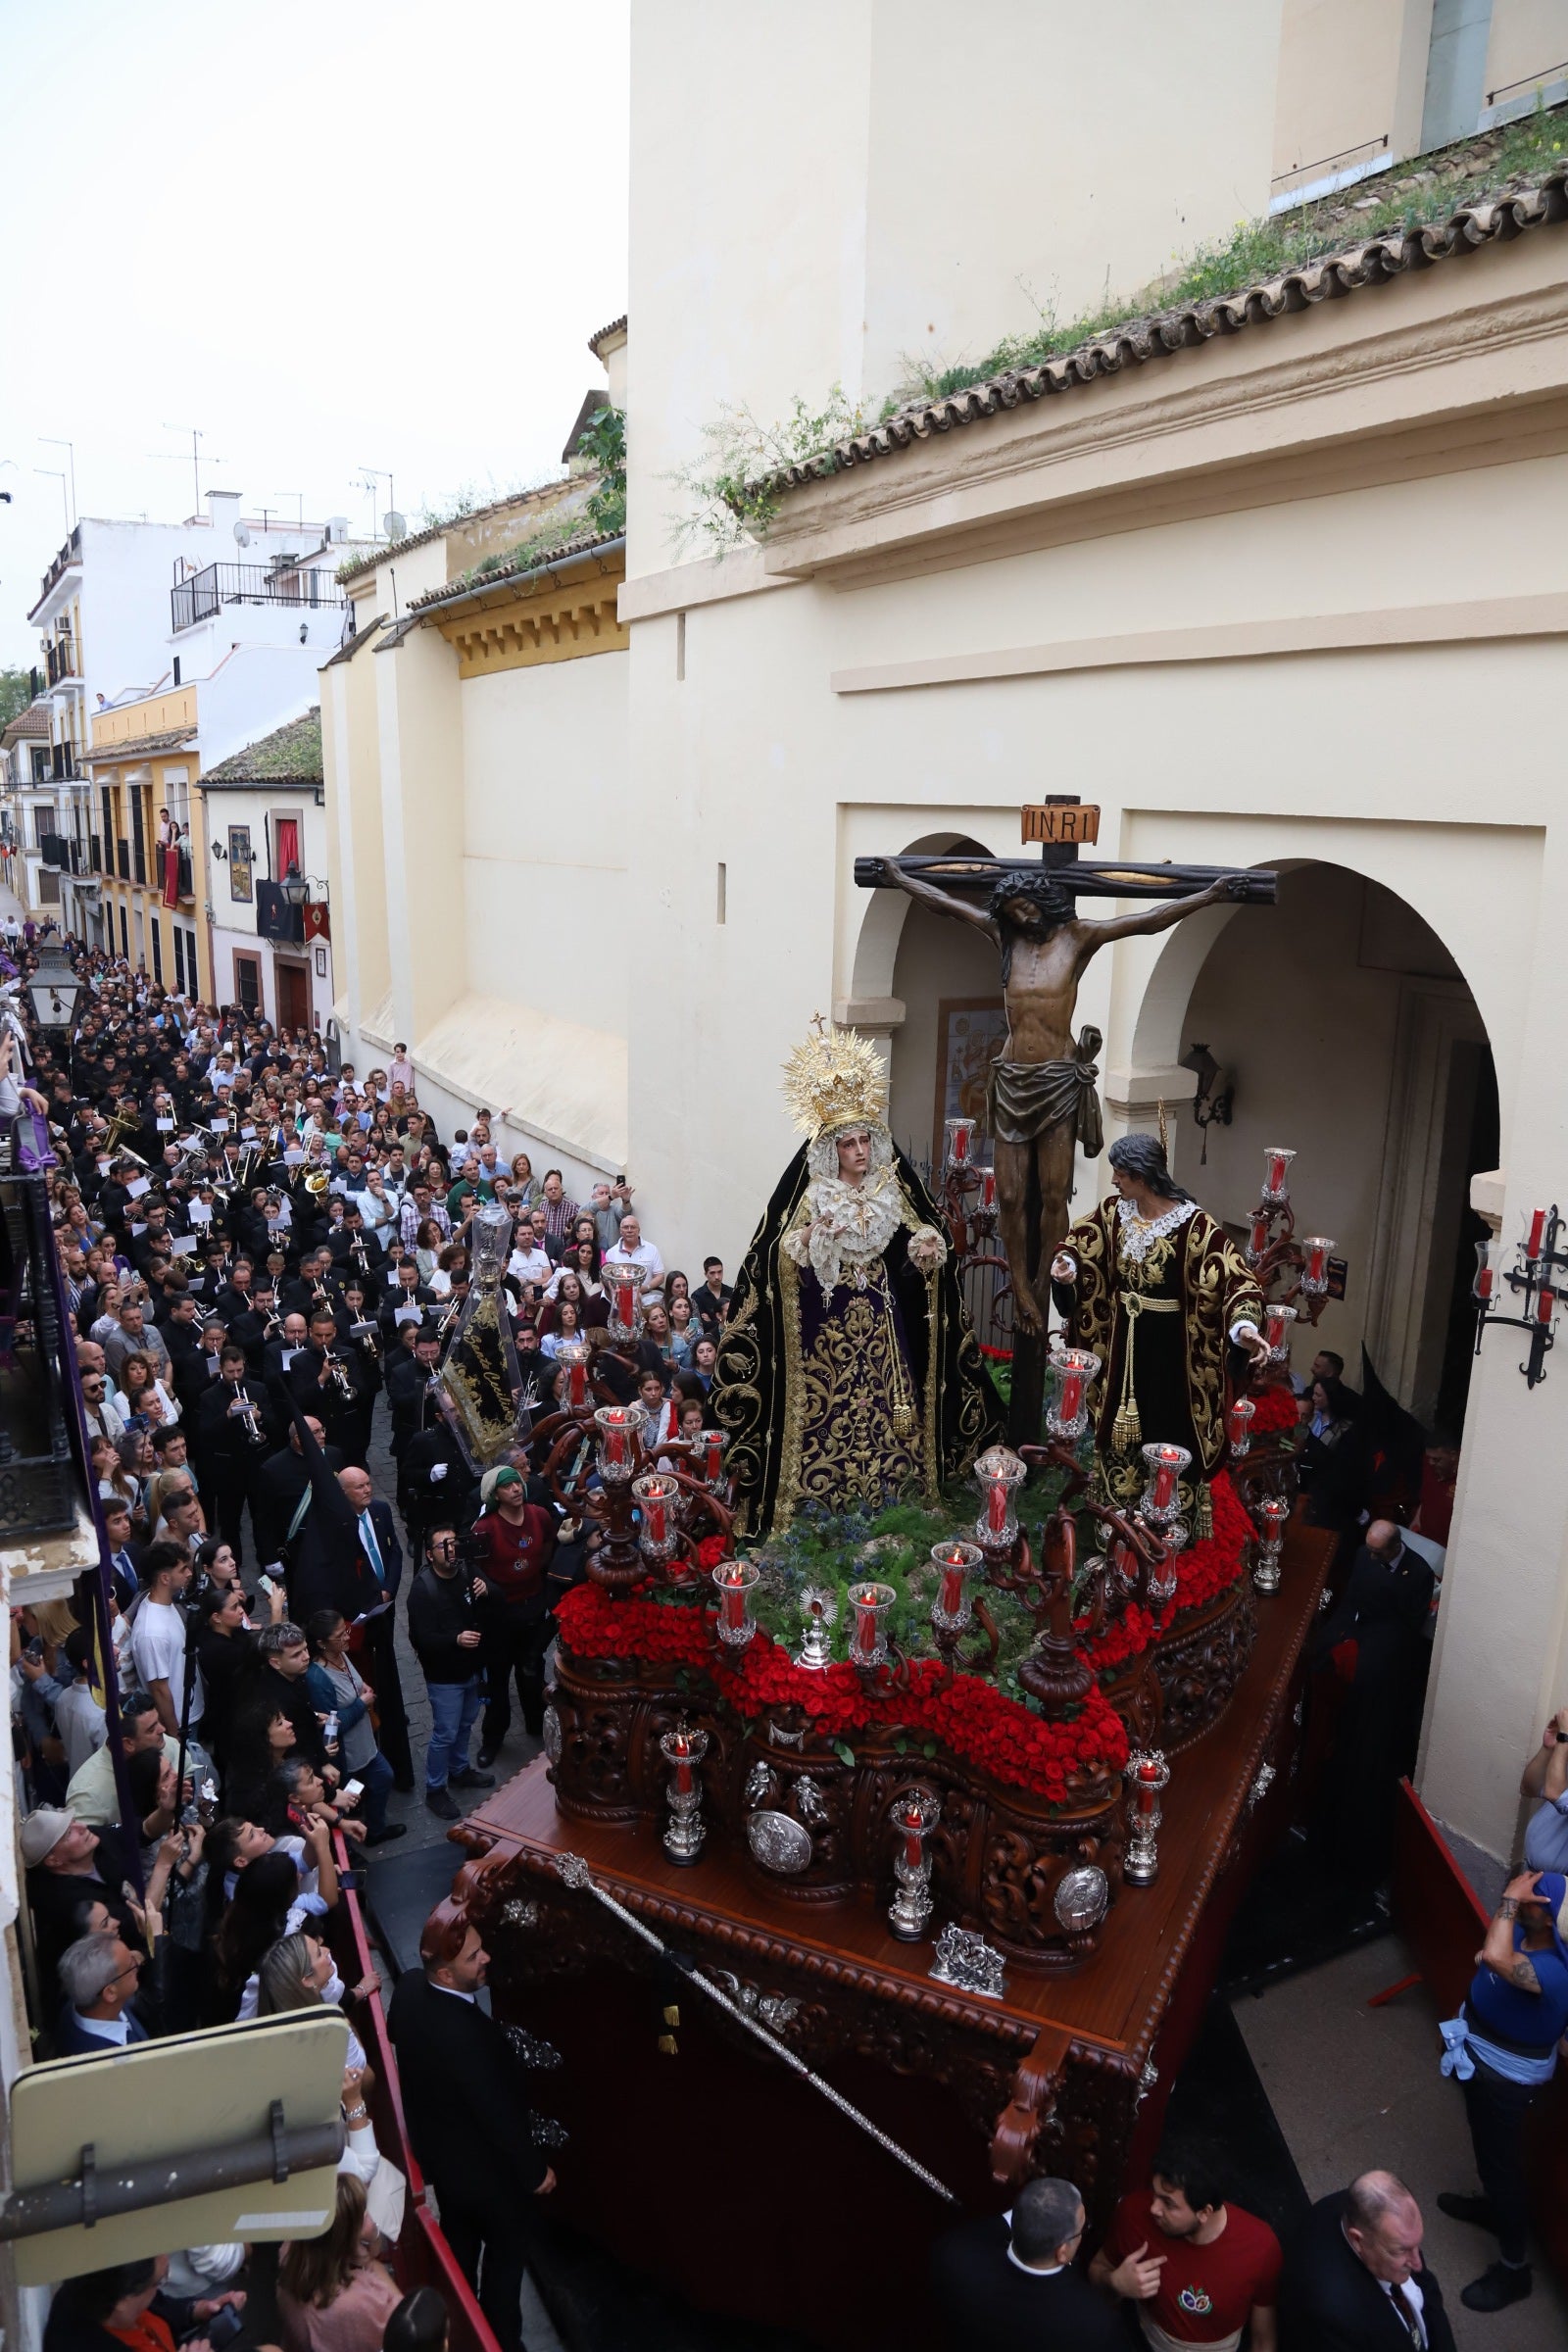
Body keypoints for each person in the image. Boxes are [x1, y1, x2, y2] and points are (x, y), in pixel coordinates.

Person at [713, 1020, 1003, 1534]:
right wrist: (810, 1240)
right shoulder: (813, 1195)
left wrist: (928, 1251)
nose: (860, 1151)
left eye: (865, 1140)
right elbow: (775, 1258)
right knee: (829, 1412)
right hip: (827, 1329)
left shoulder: (892, 1191)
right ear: (833, 1150)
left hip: (887, 1328)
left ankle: (900, 1497)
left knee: (895, 1409)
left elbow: (919, 1246)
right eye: (848, 1144)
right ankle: (817, 1511)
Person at [1050, 1131, 1268, 1522]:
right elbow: (1080, 1242)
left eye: (1120, 1173)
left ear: (1142, 1175)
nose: (1114, 1180)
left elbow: (1236, 1279)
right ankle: (1116, 1514)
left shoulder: (1195, 1226)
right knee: (1117, 1425)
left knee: (1166, 1422)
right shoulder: (1115, 1211)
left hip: (1169, 1352)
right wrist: (1066, 1266)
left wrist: (1243, 1327)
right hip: (1122, 1344)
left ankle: (1167, 1516)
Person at [386, 1903, 557, 2352]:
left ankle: (455, 2323)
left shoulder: (407, 1988)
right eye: (473, 1957)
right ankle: (500, 2339)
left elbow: (394, 2029)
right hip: (488, 2180)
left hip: (443, 2164)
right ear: (444, 1975)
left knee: (459, 2246)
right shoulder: (467, 2040)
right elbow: (495, 2111)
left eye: (481, 1949)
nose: (486, 1960)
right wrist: (534, 2172)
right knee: (504, 2262)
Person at [1437, 1866, 1568, 2311]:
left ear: (1550, 1920)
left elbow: (1495, 1959)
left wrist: (1510, 1900)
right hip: (1478, 2059)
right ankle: (1494, 2208)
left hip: (1505, 2083)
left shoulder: (1556, 1973)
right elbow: (1494, 1955)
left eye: (1533, 1893)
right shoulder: (1525, 1935)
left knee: (1501, 2168)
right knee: (1487, 2150)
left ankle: (1514, 2271)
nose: (1520, 1888)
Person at [1090, 2132, 1281, 2350]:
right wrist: (1115, 2283)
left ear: (1204, 2213)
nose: (1153, 2209)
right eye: (1155, 2193)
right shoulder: (1132, 2214)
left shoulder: (1260, 2246)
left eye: (1168, 2204)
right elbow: (1097, 2269)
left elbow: (1263, 2338)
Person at [930, 2175, 1123, 2350]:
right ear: (1062, 2252)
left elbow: (981, 2232)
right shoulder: (1093, 2322)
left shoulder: (955, 2257)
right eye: (1083, 2227)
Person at [1280, 2171, 1455, 2351]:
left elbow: (1429, 2292)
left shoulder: (1368, 2212)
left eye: (1416, 2245)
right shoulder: (1334, 2313)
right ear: (1358, 2240)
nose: (1417, 2263)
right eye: (1401, 2251)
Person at [407, 1524, 494, 1821]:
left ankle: (459, 1770)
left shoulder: (469, 1571)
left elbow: (497, 1600)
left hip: (473, 1668)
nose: (451, 1549)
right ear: (430, 1555)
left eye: (454, 1543)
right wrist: (454, 1640)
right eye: (443, 1545)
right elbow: (420, 1638)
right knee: (445, 1732)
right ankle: (435, 1789)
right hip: (445, 1676)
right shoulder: (423, 1590)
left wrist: (488, 1590)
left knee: (467, 1722)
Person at [470, 1466, 555, 1763]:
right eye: (507, 1487)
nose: (516, 1489)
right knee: (497, 1678)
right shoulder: (484, 1528)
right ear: (495, 1495)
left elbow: (547, 1545)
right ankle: (493, 1738)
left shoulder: (539, 1515)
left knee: (531, 1672)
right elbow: (475, 1567)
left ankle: (537, 1726)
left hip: (532, 1608)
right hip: (499, 1615)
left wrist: (534, 1576)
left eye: (517, 1484)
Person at [303, 1610, 402, 1844]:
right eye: (340, 1635)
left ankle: (374, 1830)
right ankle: (349, 1847)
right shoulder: (318, 1679)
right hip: (349, 1757)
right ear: (321, 1643)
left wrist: (362, 1687)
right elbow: (331, 1727)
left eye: (346, 1631)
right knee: (347, 1801)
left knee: (383, 1778)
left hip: (365, 1744)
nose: (348, 1637)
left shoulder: (340, 1655)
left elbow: (353, 1682)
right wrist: (361, 1703)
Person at [277, 2172, 401, 2352]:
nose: (368, 2216)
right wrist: (373, 2237)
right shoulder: (357, 2304)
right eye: (363, 2214)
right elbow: (407, 2321)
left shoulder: (291, 2254)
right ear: (348, 2236)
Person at [128, 1541, 204, 1741]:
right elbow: (159, 1690)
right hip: (181, 1724)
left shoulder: (167, 1604)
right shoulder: (151, 1632)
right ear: (164, 1578)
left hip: (189, 1715)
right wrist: (173, 1733)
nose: (189, 1574)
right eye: (182, 1569)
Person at [54, 1930, 149, 2055]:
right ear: (110, 1993)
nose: (138, 1962)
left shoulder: (82, 1997)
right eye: (131, 1965)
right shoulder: (105, 2062)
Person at [1520, 1703, 1568, 1870]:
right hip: (1531, 1871)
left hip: (1559, 1888)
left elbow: (1554, 1793)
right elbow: (1529, 1788)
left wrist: (1564, 1738)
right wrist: (1548, 1748)